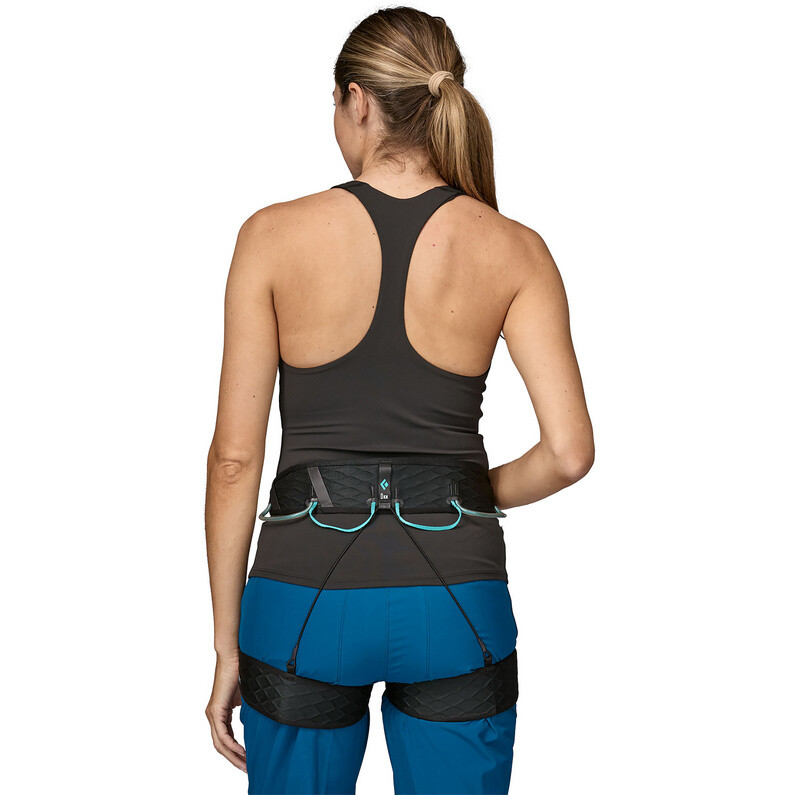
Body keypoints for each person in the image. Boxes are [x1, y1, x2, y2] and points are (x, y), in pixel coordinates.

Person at [204, 7, 594, 794]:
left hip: (303, 605)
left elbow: (234, 460)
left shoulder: (270, 236)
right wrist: (467, 491)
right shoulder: (514, 248)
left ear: (357, 101)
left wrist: (224, 646)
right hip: (457, 604)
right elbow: (567, 453)